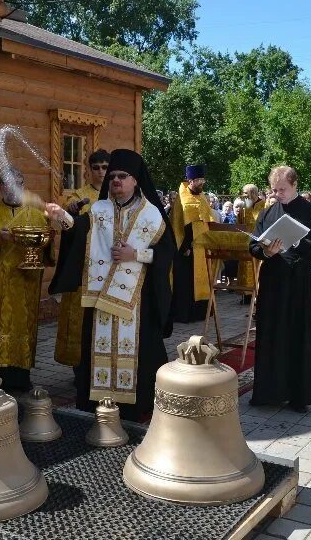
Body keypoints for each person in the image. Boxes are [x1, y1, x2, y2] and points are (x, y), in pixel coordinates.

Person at [47, 149, 176, 419]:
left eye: (122, 176)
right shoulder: (99, 210)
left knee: (139, 352)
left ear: (135, 180)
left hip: (137, 301)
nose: (115, 180)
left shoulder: (152, 215)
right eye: (113, 176)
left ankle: (133, 406)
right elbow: (79, 230)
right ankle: (100, 403)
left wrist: (137, 254)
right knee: (96, 347)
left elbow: (167, 254)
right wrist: (62, 217)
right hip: (100, 298)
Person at [248, 165, 311, 412]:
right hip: (273, 280)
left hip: (298, 280)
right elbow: (252, 246)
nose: (277, 194)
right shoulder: (267, 213)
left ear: (295, 185)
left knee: (297, 334)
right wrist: (265, 250)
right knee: (271, 332)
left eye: (282, 189)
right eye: (273, 190)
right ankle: (269, 392)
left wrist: (300, 242)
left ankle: (299, 395)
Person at [0, 167, 53, 392]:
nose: (12, 188)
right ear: (0, 188)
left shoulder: (36, 215)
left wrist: (45, 244)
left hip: (25, 283)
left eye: (17, 183)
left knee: (22, 329)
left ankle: (20, 379)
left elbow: (47, 247)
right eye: (7, 184)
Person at [53, 149, 111, 369]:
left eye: (105, 167)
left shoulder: (114, 195)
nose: (101, 172)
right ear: (88, 170)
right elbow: (64, 226)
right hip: (84, 267)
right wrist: (70, 213)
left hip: (108, 266)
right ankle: (80, 367)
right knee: (80, 316)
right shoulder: (78, 196)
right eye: (96, 168)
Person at [169, 164, 215, 322]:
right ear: (190, 180)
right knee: (186, 283)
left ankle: (201, 313)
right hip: (186, 249)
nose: (202, 182)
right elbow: (178, 224)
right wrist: (185, 246)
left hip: (201, 247)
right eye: (199, 180)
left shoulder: (202, 196)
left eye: (203, 179)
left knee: (202, 280)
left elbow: (207, 220)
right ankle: (185, 315)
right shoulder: (181, 198)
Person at [238, 184, 267, 303]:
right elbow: (238, 224)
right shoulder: (244, 207)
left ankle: (259, 295)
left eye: (246, 193)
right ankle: (246, 296)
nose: (244, 196)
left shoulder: (265, 206)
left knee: (259, 270)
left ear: (254, 193)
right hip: (246, 244)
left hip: (261, 245)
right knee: (245, 270)